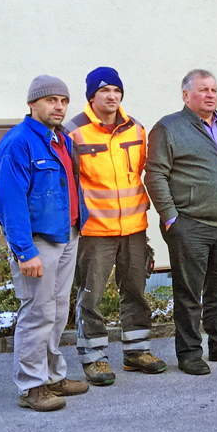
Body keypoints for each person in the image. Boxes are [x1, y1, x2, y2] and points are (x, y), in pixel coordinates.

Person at [144, 69, 217, 376]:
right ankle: (190, 353)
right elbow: (154, 174)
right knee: (189, 293)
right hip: (189, 224)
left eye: (214, 90)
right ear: (185, 95)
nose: (210, 95)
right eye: (203, 89)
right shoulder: (169, 128)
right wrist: (170, 217)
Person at [0, 75, 91, 411]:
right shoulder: (18, 142)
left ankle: (52, 375)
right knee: (37, 313)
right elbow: (9, 201)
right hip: (37, 243)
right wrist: (24, 250)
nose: (59, 106)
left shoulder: (61, 139)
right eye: (51, 100)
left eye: (63, 101)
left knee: (58, 310)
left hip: (67, 236)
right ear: (32, 104)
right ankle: (31, 387)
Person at [65, 66, 167, 385]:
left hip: (134, 227)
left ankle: (137, 353)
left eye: (117, 91)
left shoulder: (136, 129)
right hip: (94, 231)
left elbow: (141, 173)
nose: (112, 96)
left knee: (135, 290)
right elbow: (68, 182)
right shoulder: (73, 132)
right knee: (91, 295)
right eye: (105, 91)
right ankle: (94, 358)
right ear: (92, 96)